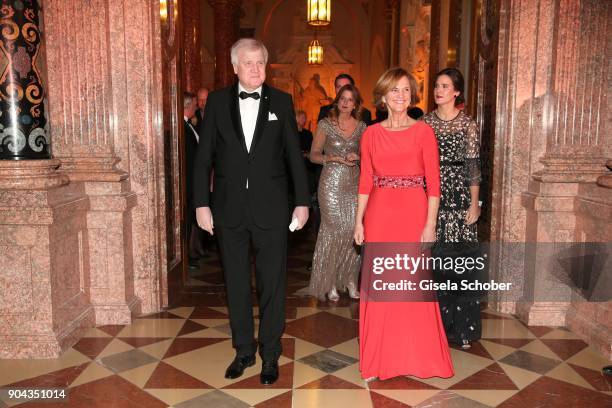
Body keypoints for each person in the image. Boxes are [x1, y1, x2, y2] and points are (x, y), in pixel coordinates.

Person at [193, 38, 310, 385]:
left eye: (260, 62)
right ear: (234, 67)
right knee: (237, 284)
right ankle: (243, 350)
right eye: (248, 63)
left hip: (273, 210)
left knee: (272, 285)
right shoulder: (215, 103)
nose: (255, 69)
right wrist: (201, 204)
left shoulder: (283, 102)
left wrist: (302, 202)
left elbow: (294, 157)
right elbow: (203, 161)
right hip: (228, 209)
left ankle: (270, 353)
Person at [354, 67, 454, 381]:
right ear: (383, 96)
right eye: (395, 90)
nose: (401, 96)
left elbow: (434, 185)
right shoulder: (370, 133)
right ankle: (377, 359)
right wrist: (359, 221)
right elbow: (365, 182)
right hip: (380, 216)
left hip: (414, 214)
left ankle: (418, 357)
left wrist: (430, 224)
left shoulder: (423, 131)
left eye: (406, 90)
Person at [423, 68, 482, 349]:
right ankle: (436, 328)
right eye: (436, 85)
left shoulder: (467, 124)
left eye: (445, 86)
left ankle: (463, 329)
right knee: (434, 265)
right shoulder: (424, 123)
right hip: (431, 197)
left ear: (456, 91)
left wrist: (475, 203)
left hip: (459, 197)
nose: (439, 90)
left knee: (461, 265)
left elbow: (473, 166)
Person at [307, 84, 366, 301]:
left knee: (352, 230)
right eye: (342, 98)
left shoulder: (362, 127)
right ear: (337, 100)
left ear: (356, 104)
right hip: (330, 183)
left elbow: (369, 156)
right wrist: (328, 158)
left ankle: (349, 279)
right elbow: (313, 154)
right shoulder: (326, 124)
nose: (345, 102)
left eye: (350, 99)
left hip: (354, 184)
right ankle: (330, 281)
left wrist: (358, 157)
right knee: (333, 230)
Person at [183, 92, 202, 269]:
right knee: (187, 220)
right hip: (187, 183)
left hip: (193, 183)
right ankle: (186, 258)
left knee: (192, 220)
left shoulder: (190, 125)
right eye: (195, 104)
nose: (197, 107)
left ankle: (192, 253)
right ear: (187, 106)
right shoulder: (181, 127)